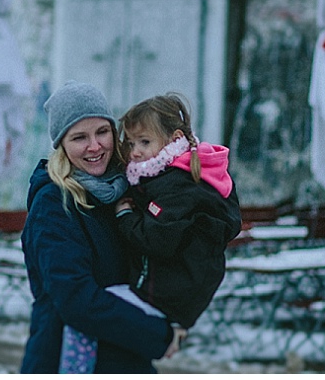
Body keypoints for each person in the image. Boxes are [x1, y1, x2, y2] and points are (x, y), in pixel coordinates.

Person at [59, 92, 242, 373]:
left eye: (144, 142)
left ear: (173, 139)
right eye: (130, 143)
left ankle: (73, 372)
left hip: (166, 294)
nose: (134, 151)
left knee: (86, 320)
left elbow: (157, 239)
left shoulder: (178, 187)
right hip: (171, 290)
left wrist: (125, 214)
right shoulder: (175, 177)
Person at [20, 81, 180, 374]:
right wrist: (157, 334)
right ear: (62, 146)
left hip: (125, 358)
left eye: (102, 132)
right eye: (79, 137)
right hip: (64, 359)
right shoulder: (54, 203)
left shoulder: (124, 190)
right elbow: (75, 297)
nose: (94, 146)